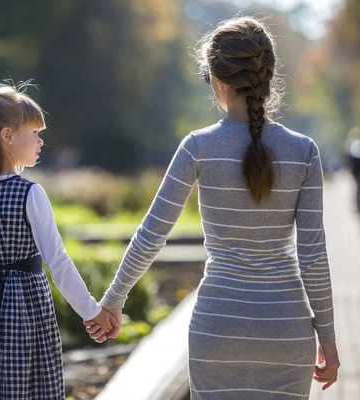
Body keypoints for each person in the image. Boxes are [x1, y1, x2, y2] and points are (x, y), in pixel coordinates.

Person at [85, 16, 340, 399]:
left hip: (217, 328)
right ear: (266, 78)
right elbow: (313, 256)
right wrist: (329, 338)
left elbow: (153, 232)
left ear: (218, 81)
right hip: (286, 330)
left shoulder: (198, 147)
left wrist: (113, 300)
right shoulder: (303, 151)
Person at [0, 82, 117, 399]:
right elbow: (58, 263)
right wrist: (92, 312)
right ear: (7, 136)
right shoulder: (29, 193)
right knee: (27, 388)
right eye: (35, 133)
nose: (41, 142)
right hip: (24, 311)